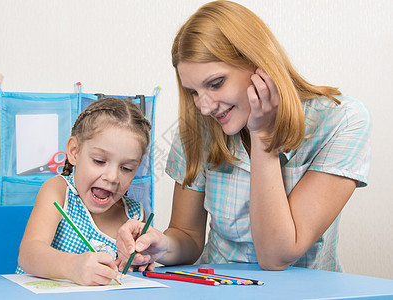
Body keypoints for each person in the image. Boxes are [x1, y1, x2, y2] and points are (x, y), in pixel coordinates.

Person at [116, 0, 371, 272]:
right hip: (217, 287)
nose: (204, 106)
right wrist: (162, 245)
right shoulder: (199, 127)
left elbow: (277, 255)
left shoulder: (342, 122)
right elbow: (187, 235)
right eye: (193, 91)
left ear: (259, 65)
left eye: (216, 84)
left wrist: (262, 136)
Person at [17, 97, 151, 285]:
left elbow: (133, 273)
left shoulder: (136, 216)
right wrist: (72, 266)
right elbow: (28, 254)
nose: (112, 177)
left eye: (126, 168)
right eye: (99, 161)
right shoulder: (57, 191)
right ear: (74, 151)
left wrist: (141, 262)